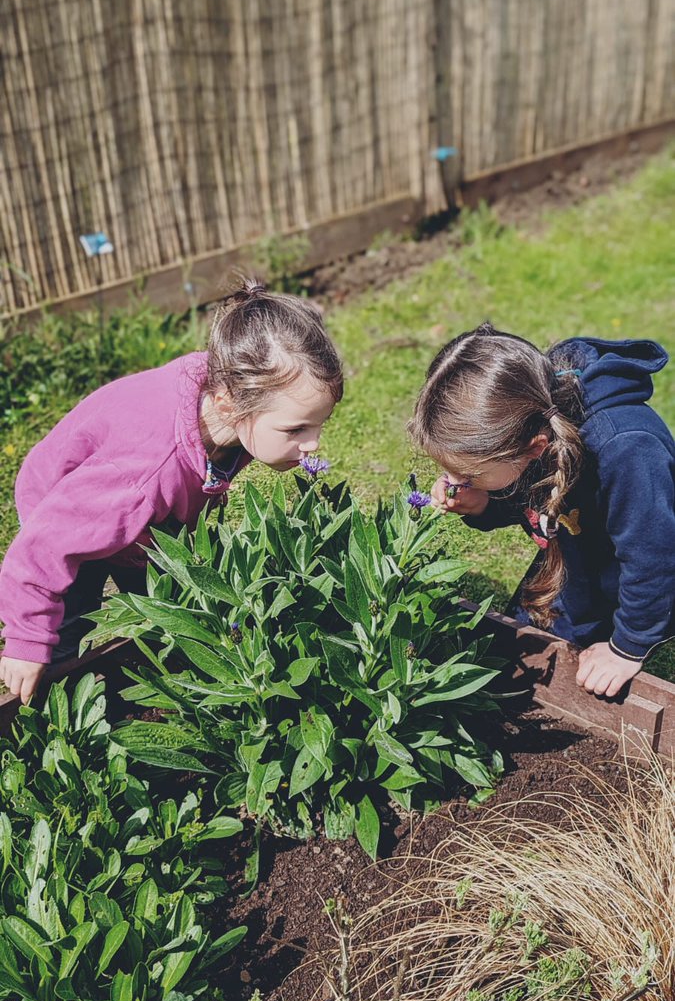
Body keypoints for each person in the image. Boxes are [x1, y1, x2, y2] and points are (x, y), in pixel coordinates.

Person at [0, 279, 343, 704]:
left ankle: (181, 682)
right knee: (61, 640)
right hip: (69, 515)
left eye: (318, 425)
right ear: (229, 405)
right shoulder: (141, 476)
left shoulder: (227, 392)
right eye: (296, 429)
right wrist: (25, 639)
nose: (313, 444)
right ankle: (51, 719)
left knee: (182, 608)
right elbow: (44, 546)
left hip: (143, 518)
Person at [410, 323, 675, 697]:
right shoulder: (533, 416)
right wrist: (485, 503)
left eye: (468, 472)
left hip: (640, 568)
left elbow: (656, 558)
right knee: (521, 649)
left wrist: (627, 648)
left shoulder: (628, 450)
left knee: (582, 673)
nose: (454, 480)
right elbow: (535, 493)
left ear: (534, 447)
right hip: (577, 548)